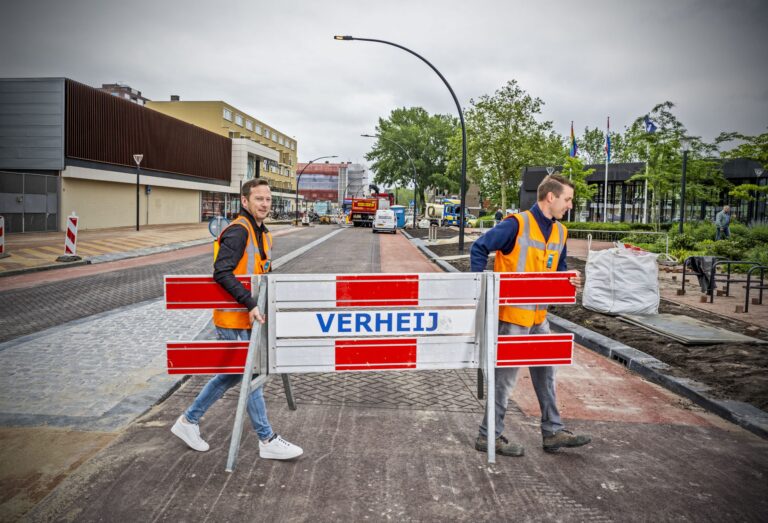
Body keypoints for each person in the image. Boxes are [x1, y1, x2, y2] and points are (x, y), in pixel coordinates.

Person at [171, 179, 303, 460]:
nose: (265, 204)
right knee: (250, 374)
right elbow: (222, 272)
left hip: (247, 319)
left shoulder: (263, 234)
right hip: (232, 320)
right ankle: (267, 439)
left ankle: (188, 421)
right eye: (259, 199)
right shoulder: (238, 232)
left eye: (268, 199)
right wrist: (250, 302)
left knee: (233, 374)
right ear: (245, 201)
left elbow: (260, 275)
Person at [470, 173, 591, 457]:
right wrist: (476, 287)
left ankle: (552, 431)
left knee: (546, 373)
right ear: (551, 197)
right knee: (505, 380)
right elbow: (480, 247)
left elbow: (557, 268)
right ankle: (488, 436)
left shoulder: (560, 232)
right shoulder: (516, 224)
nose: (570, 205)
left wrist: (568, 280)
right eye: (567, 199)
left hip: (539, 317)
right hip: (512, 316)